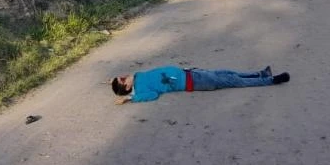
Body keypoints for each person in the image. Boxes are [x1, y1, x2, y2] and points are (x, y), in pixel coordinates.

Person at [111, 65, 290, 104]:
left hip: (192, 73)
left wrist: (113, 83)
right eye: (122, 79)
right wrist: (129, 99)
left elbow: (132, 75)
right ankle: (270, 80)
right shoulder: (141, 90)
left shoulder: (138, 76)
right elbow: (152, 96)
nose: (124, 76)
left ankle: (259, 74)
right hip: (195, 82)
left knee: (228, 72)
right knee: (233, 81)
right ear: (126, 87)